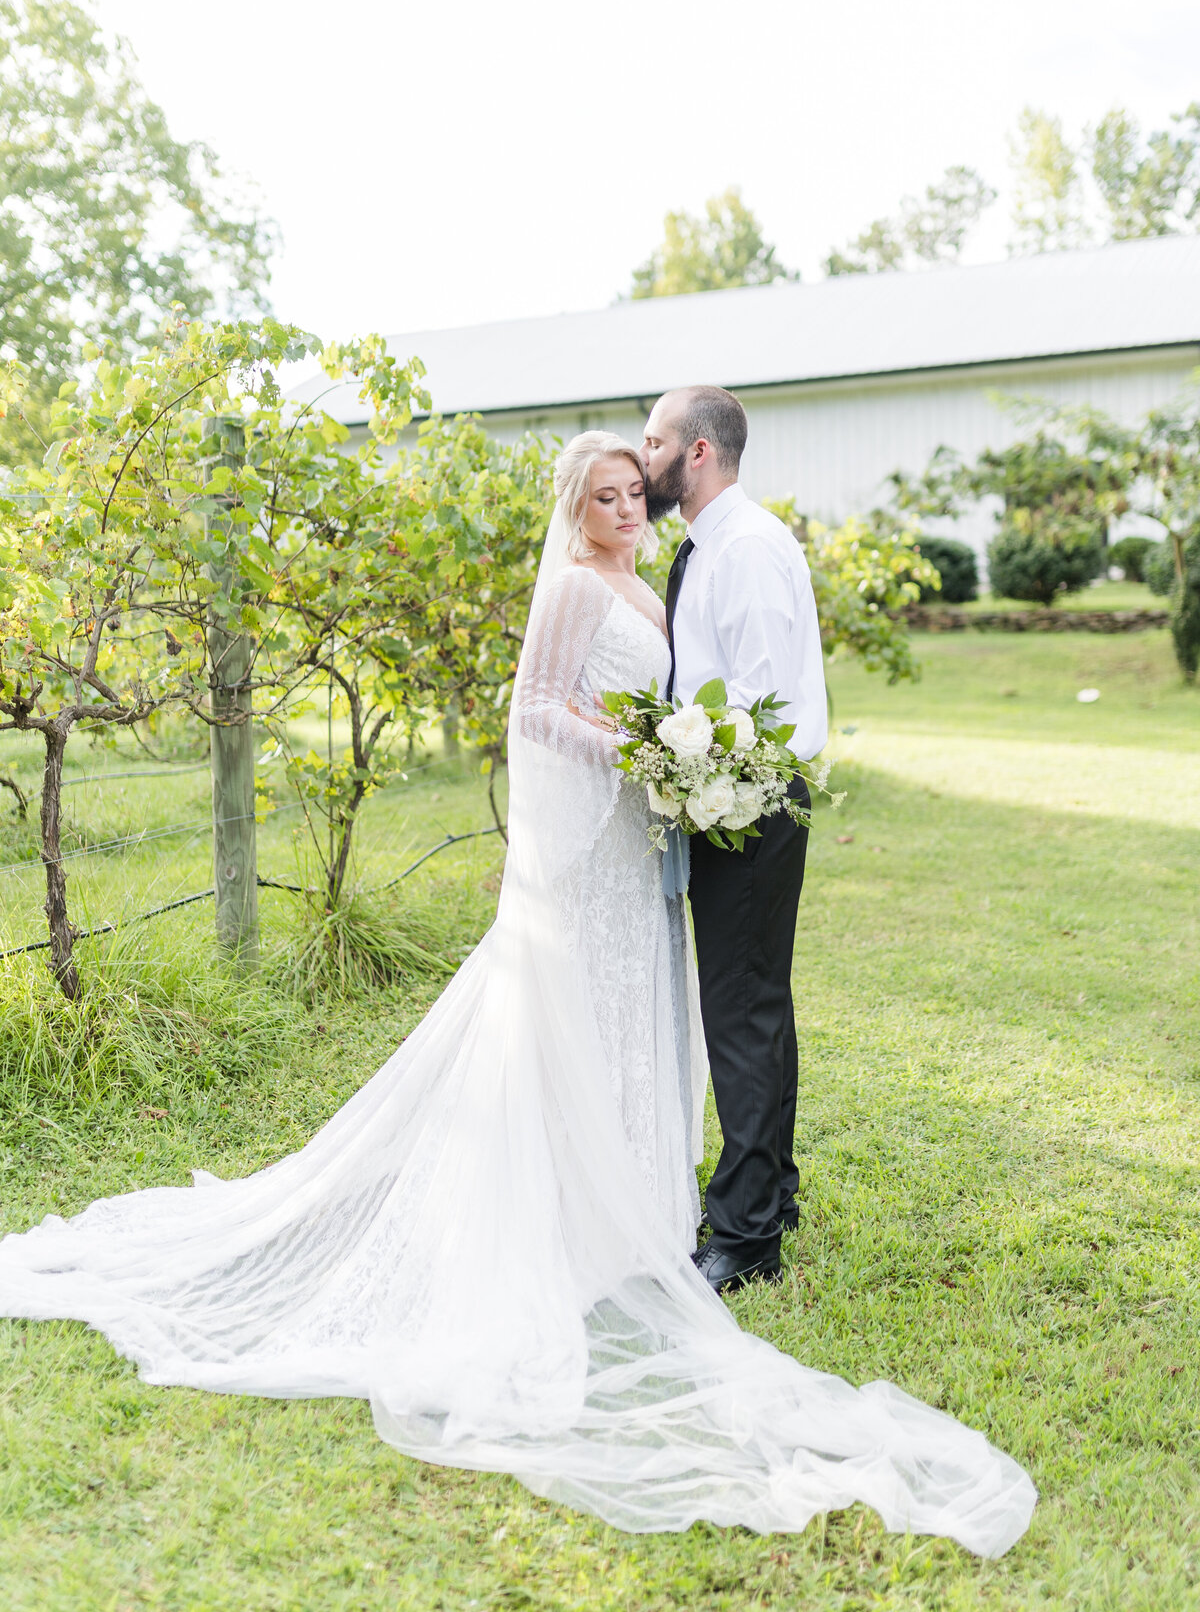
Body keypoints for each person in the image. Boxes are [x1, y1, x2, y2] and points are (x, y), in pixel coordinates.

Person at [0, 432, 1035, 1554]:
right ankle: (558, 1213)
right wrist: (634, 746)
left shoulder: (645, 581)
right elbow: (535, 710)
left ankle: (631, 1211)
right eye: (607, 496)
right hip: (588, 855)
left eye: (636, 492)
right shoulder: (574, 590)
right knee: (566, 1028)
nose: (628, 509)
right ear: (576, 507)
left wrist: (671, 752)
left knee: (630, 1023)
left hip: (640, 859)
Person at [641, 384, 825, 1293]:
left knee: (740, 1012)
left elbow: (763, 704)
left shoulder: (745, 549)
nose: (645, 460)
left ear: (699, 453)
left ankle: (746, 1235)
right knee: (758, 1002)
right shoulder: (708, 548)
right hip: (731, 793)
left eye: (655, 441)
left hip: (746, 799)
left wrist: (705, 786)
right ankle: (774, 1190)